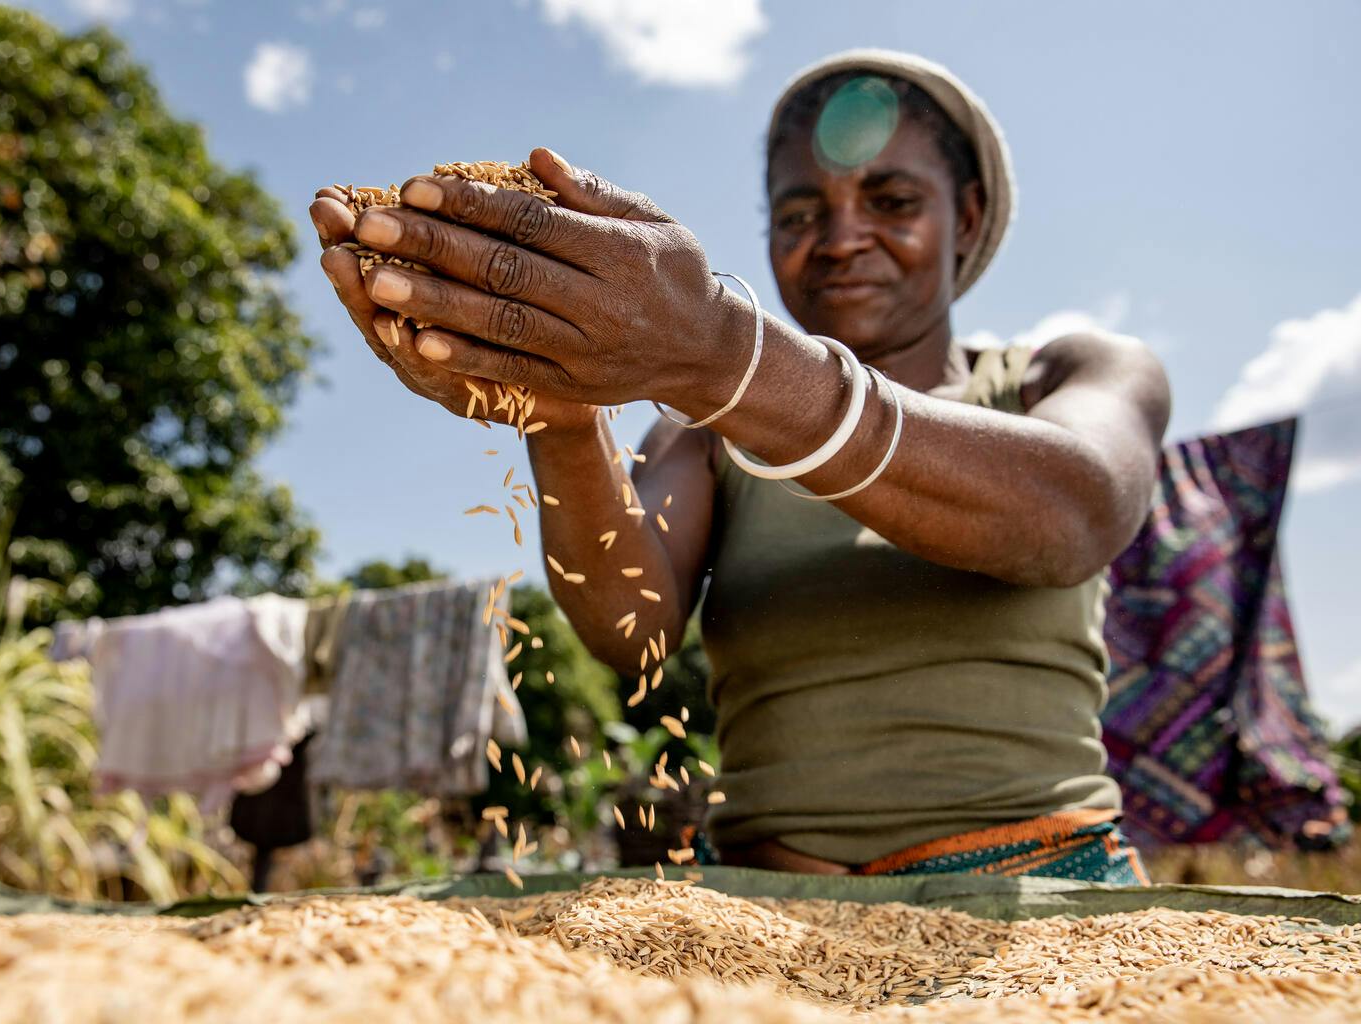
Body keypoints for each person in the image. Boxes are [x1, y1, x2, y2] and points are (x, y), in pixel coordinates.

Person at [308, 50, 1170, 883]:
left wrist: (726, 353)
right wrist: (564, 415)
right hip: (764, 901)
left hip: (1046, 884)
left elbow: (1075, 515)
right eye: (799, 215)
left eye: (892, 199)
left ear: (969, 218)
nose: (840, 239)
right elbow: (631, 636)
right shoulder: (705, 429)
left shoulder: (1062, 375)